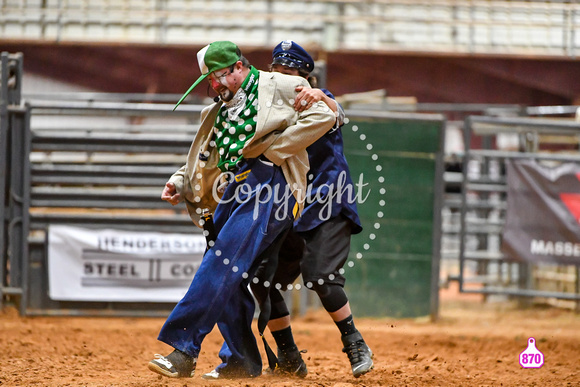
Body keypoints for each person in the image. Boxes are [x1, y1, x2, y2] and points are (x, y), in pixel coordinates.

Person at [147, 40, 336, 379]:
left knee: (221, 259)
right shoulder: (216, 111)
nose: (213, 86)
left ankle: (183, 349)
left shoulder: (277, 84)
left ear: (237, 67)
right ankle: (241, 360)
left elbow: (324, 115)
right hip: (234, 187)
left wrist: (274, 153)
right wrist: (180, 180)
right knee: (225, 267)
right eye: (209, 81)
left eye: (218, 77)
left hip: (272, 185)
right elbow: (207, 155)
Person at [202, 40, 374, 380]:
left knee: (319, 276)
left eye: (290, 72)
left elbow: (336, 113)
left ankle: (355, 342)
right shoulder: (266, 103)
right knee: (260, 277)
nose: (282, 77)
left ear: (304, 77)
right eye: (277, 71)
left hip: (327, 201)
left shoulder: (316, 97)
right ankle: (289, 355)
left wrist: (321, 97)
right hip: (286, 204)